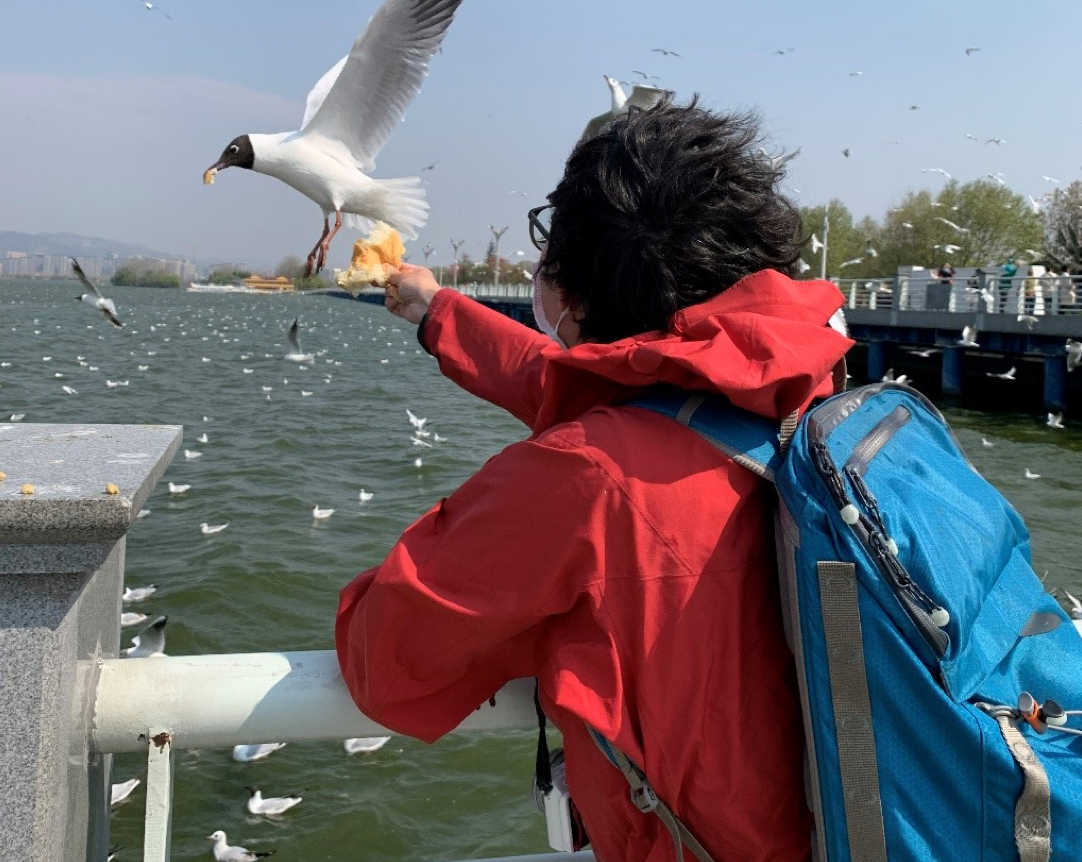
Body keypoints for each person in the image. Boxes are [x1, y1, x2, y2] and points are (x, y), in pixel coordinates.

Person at [335, 99, 853, 862]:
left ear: (573, 285)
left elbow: (385, 662)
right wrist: (436, 309)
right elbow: (617, 391)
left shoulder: (585, 478)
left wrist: (540, 602)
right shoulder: (815, 396)